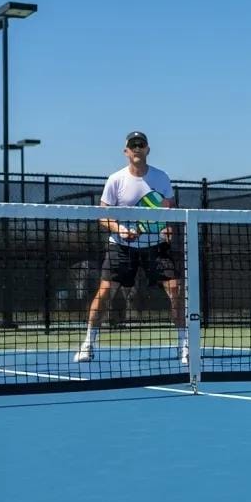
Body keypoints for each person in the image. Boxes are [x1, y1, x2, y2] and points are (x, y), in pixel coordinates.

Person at [74, 131, 186, 365]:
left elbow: (169, 209)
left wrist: (166, 227)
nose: (137, 148)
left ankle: (184, 346)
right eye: (132, 145)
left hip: (155, 246)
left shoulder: (161, 178)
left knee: (176, 290)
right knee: (104, 293)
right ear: (126, 151)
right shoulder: (116, 180)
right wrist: (120, 230)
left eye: (141, 144)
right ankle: (88, 344)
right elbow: (103, 216)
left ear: (147, 149)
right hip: (121, 246)